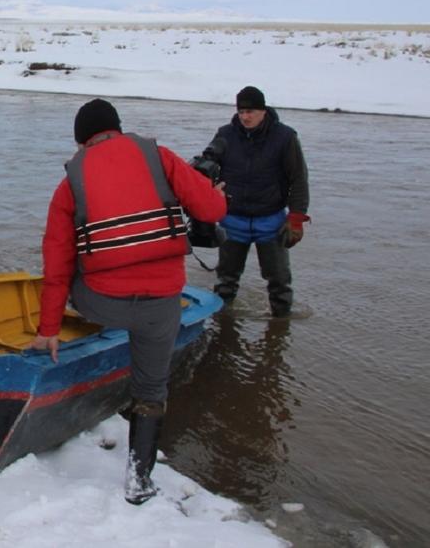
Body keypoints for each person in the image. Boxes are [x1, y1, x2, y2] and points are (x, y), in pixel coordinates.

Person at [32, 99, 226, 505]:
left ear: (80, 140)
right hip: (161, 303)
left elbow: (57, 262)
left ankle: (102, 343)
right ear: (118, 129)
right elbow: (213, 207)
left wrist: (49, 329)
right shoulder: (160, 157)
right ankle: (139, 481)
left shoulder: (70, 183)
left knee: (73, 269)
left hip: (101, 303)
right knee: (151, 390)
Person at [198, 86, 310, 317]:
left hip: (270, 221)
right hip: (232, 219)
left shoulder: (285, 137)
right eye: (241, 112)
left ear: (263, 111)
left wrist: (296, 217)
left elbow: (298, 179)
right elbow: (206, 170)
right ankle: (222, 328)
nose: (245, 117)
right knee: (225, 281)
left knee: (279, 282)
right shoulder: (225, 134)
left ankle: (281, 319)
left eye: (250, 111)